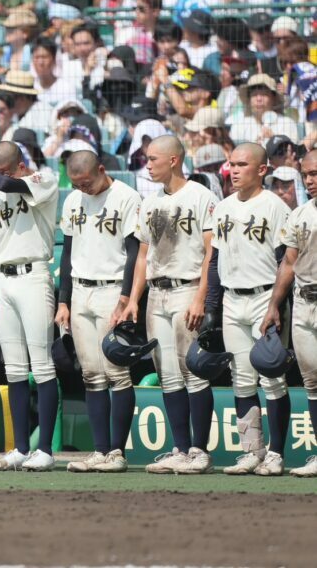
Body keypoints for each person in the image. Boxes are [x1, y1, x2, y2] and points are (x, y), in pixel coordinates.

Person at [120, 135, 218, 475]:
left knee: (193, 371)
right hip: (156, 293)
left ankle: (199, 451)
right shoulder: (149, 202)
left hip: (186, 288)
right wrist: (133, 299)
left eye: (153, 158)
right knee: (167, 375)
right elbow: (143, 256)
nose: (147, 165)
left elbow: (210, 253)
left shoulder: (202, 196)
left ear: (174, 160)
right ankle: (179, 447)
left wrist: (200, 298)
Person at [206, 143, 291, 476]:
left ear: (262, 170)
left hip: (264, 298)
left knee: (272, 378)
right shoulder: (223, 207)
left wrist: (278, 305)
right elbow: (214, 260)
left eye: (243, 164)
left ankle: (276, 453)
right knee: (241, 380)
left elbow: (287, 259)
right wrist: (212, 306)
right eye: (232, 164)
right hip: (232, 298)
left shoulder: (274, 206)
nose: (235, 170)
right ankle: (251, 452)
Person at [0, 142, 58, 471]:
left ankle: (46, 449)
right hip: (4, 280)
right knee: (14, 370)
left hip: (34, 274)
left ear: (20, 166)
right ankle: (21, 447)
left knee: (43, 365)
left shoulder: (42, 179)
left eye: (6, 170)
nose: (0, 176)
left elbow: (8, 183)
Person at [55, 150, 142, 473]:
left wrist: (125, 297)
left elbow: (134, 252)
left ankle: (117, 453)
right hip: (80, 290)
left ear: (102, 170)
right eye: (76, 183)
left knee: (117, 373)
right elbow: (67, 254)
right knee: (91, 374)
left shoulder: (126, 197)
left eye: (87, 182)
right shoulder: (73, 201)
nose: (83, 188)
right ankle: (100, 450)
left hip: (111, 288)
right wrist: (63, 301)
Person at [262, 150, 317, 477]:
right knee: (312, 382)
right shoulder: (300, 214)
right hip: (304, 303)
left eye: (316, 173)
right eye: (307, 174)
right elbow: (290, 263)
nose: (310, 180)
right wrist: (273, 305)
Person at [230, 73, 299, 146]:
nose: (259, 99)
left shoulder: (287, 124)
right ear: (249, 99)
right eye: (254, 94)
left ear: (274, 98)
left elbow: (293, 152)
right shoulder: (239, 126)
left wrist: (275, 140)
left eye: (264, 94)